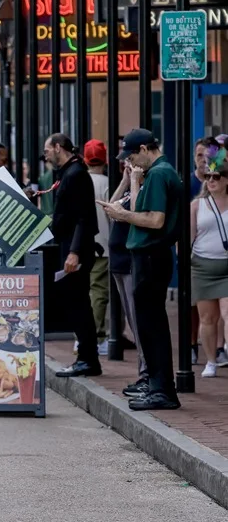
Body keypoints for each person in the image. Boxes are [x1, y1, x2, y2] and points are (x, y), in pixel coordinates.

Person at [100, 129, 181, 410]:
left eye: (133, 155)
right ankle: (156, 384)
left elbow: (155, 219)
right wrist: (132, 181)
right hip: (146, 255)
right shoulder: (154, 173)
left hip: (151, 254)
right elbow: (141, 209)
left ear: (145, 149)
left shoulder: (159, 174)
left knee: (152, 325)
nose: (132, 162)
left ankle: (162, 389)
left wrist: (123, 215)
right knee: (147, 325)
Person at [44, 134, 101, 378]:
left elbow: (83, 217)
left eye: (47, 149)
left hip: (74, 250)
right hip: (69, 246)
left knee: (78, 305)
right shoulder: (69, 172)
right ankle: (87, 358)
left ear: (58, 147)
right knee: (75, 304)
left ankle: (88, 359)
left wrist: (75, 252)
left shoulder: (76, 174)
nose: (46, 154)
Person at [109, 161, 148, 398]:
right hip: (119, 264)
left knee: (140, 322)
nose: (127, 165)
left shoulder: (143, 191)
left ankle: (147, 374)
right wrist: (125, 181)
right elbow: (111, 208)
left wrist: (134, 181)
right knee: (133, 323)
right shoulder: (127, 190)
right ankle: (143, 372)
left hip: (132, 263)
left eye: (132, 163)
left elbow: (134, 214)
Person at [190, 146, 228, 379]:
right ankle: (211, 360)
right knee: (208, 318)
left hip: (227, 266)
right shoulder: (197, 205)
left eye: (217, 176)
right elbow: (188, 238)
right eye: (208, 177)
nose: (211, 180)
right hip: (203, 267)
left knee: (227, 311)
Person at [85, 140, 111, 355]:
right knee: (99, 292)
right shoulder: (107, 183)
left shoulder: (79, 180)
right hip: (103, 243)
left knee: (84, 291)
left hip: (81, 244)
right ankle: (97, 337)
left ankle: (82, 337)